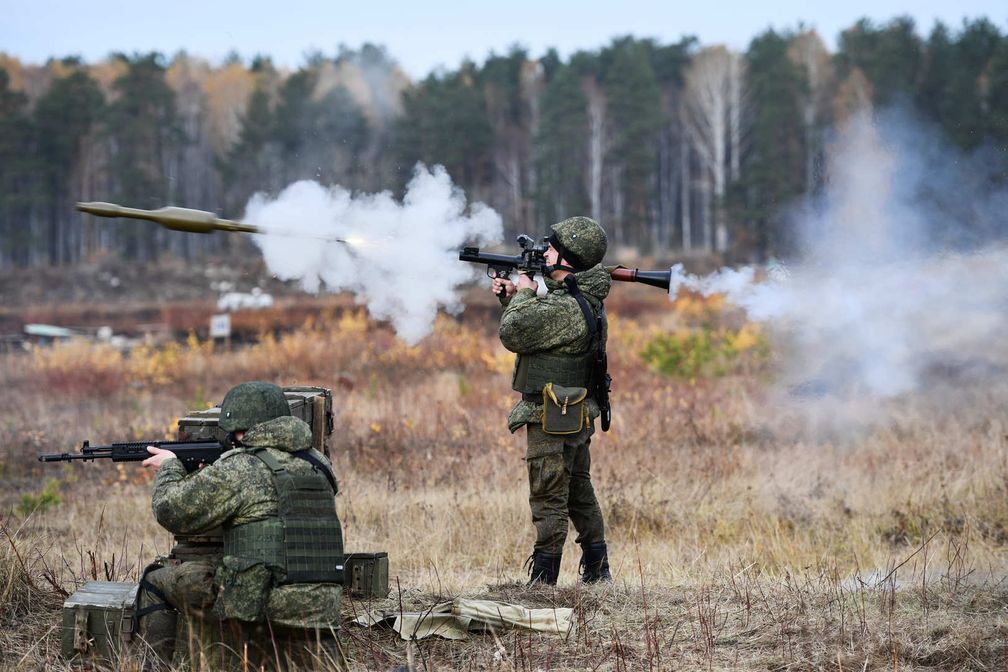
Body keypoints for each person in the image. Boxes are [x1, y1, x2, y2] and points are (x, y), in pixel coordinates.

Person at [138, 381, 344, 668]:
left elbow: (171, 511)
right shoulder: (320, 463)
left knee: (155, 580)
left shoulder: (241, 467)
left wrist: (171, 467)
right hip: (321, 605)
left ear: (241, 427)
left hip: (262, 603)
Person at [492, 216, 613, 585]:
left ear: (569, 261)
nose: (545, 252)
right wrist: (511, 299)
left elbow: (514, 333)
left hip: (552, 413)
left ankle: (543, 581)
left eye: (552, 248)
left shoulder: (567, 307)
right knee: (577, 488)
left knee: (547, 492)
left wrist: (525, 291)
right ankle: (597, 568)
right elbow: (534, 333)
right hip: (570, 409)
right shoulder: (579, 300)